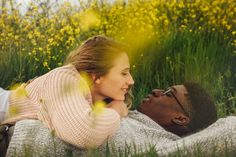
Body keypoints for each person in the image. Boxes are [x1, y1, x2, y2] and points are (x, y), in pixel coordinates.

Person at [0, 35, 135, 156]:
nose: (131, 81)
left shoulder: (93, 95)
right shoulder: (62, 78)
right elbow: (83, 133)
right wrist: (115, 111)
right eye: (124, 73)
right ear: (97, 76)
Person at [6, 82, 222, 157]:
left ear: (180, 118)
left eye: (168, 92)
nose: (156, 91)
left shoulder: (162, 146)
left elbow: (229, 130)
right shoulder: (131, 117)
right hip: (11, 116)